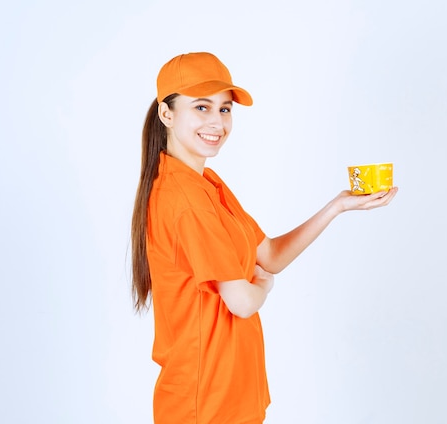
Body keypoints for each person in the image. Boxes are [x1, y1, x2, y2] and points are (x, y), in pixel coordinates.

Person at [131, 51, 398, 424]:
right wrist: (263, 287)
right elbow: (241, 300)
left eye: (225, 109)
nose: (217, 122)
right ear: (167, 114)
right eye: (202, 107)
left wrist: (337, 207)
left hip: (231, 393)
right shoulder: (184, 198)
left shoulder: (206, 185)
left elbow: (269, 254)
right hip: (204, 402)